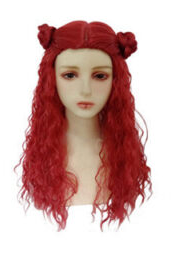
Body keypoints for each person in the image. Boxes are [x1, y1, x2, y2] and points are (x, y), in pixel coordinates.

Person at [17, 20, 152, 229]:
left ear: (116, 81)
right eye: (70, 75)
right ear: (51, 79)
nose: (85, 90)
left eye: (100, 76)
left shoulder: (124, 157)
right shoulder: (42, 157)